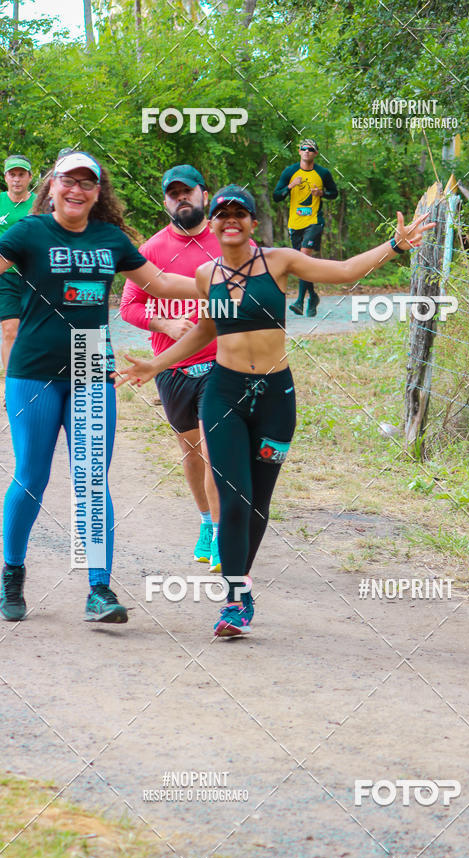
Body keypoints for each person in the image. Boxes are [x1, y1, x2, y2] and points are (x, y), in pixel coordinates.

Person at [115, 184, 433, 638]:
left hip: (275, 399)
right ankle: (234, 598)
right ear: (216, 219)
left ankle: (240, 580)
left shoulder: (279, 261)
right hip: (223, 393)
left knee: (258, 501)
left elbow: (343, 271)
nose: (230, 220)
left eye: (239, 213)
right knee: (234, 496)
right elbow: (206, 327)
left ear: (252, 221)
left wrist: (395, 245)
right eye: (222, 212)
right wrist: (157, 363)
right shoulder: (207, 273)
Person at [0, 150, 200, 624]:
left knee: (91, 479)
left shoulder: (111, 239)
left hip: (91, 361)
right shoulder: (28, 232)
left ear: (98, 192)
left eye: (87, 182)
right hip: (33, 367)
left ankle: (99, 589)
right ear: (51, 186)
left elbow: (161, 282)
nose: (76, 189)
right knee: (32, 477)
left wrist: (217, 283)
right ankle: (11, 576)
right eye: (68, 180)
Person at [120, 164, 224, 570]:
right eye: (173, 193)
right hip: (171, 367)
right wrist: (164, 322)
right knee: (192, 450)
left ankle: (220, 532)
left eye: (188, 191)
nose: (181, 198)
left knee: (217, 450)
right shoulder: (151, 249)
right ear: (165, 201)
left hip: (220, 361)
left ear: (204, 193)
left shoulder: (224, 241)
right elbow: (128, 306)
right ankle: (204, 521)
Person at [272, 139, 338, 317]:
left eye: (310, 149)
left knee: (303, 257)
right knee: (302, 264)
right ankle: (314, 297)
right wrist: (290, 186)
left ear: (316, 153)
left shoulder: (322, 173)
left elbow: (335, 193)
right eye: (303, 149)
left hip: (314, 221)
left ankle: (300, 301)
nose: (307, 151)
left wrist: (321, 193)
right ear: (299, 152)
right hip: (295, 224)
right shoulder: (290, 172)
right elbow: (277, 196)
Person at [0, 154, 35, 370]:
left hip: (34, 276)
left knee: (33, 331)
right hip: (6, 277)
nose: (16, 179)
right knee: (10, 330)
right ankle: (11, 390)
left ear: (29, 177)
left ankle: (33, 383)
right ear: (5, 177)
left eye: (21, 174)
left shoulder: (41, 203)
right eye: (12, 174)